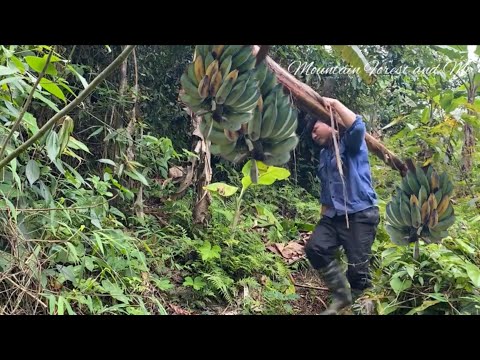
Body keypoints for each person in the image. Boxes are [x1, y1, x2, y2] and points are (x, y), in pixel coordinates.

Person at [305, 97, 380, 315]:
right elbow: (327, 187)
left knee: (358, 272)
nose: (313, 134)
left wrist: (335, 104)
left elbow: (357, 125)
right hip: (334, 215)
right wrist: (323, 213)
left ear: (329, 122)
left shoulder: (351, 142)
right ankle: (341, 296)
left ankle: (361, 307)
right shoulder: (324, 154)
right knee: (315, 247)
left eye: (314, 127)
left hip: (360, 214)